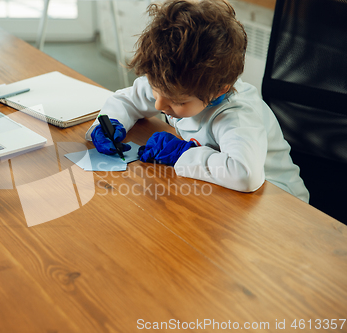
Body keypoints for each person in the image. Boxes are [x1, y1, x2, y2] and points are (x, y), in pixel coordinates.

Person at [86, 0, 309, 202]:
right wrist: (110, 123)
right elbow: (128, 100)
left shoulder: (237, 115)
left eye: (177, 102)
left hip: (277, 204)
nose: (159, 106)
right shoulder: (174, 82)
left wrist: (183, 154)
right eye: (155, 89)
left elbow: (245, 174)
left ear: (219, 90)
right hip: (225, 193)